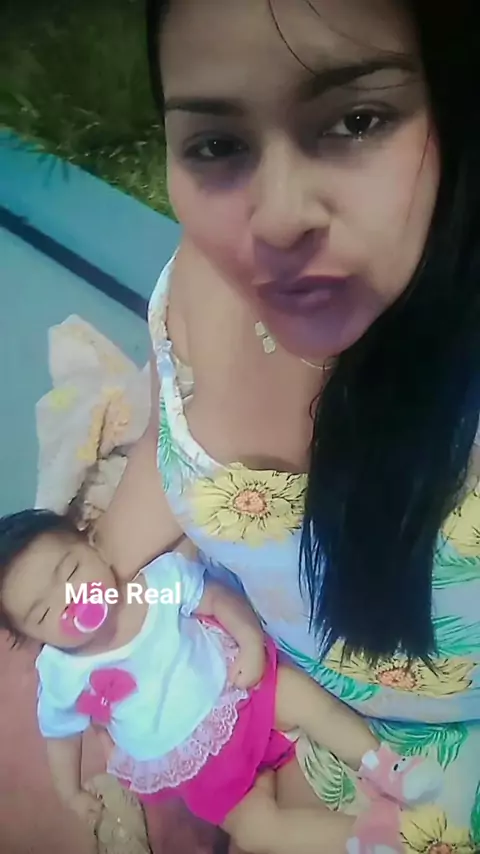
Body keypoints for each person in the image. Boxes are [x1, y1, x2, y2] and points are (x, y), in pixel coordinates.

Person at [67, 0, 480, 852]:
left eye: (356, 121)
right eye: (217, 143)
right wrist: (77, 602)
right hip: (256, 691)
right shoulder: (201, 283)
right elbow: (173, 457)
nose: (278, 217)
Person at [0, 509, 442, 854]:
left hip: (238, 692)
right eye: (44, 612)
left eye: (70, 572)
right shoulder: (60, 675)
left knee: (308, 701)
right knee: (256, 832)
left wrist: (249, 641)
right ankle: (372, 837)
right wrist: (71, 792)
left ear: (92, 544)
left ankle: (383, 763)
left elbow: (214, 598)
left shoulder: (149, 588)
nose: (71, 600)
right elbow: (60, 735)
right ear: (34, 640)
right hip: (197, 768)